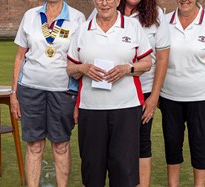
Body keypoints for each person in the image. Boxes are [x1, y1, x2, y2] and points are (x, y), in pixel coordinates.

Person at [66, 0, 152, 186]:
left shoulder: (132, 26)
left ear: (118, 1)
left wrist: (127, 69)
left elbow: (147, 63)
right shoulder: (82, 29)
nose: (105, 3)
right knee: (92, 170)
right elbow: (70, 68)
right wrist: (83, 68)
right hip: (91, 109)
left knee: (124, 170)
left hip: (126, 108)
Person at [10, 0, 85, 186]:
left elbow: (81, 60)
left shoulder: (77, 18)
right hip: (30, 88)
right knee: (34, 145)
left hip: (62, 91)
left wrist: (79, 101)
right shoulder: (30, 15)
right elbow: (20, 57)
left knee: (60, 146)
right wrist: (13, 93)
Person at [159, 0, 205, 186]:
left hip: (202, 96)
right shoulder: (165, 21)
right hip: (169, 96)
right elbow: (157, 59)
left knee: (199, 144)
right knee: (172, 143)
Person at [118, 1, 170, 186]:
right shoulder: (106, 7)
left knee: (141, 142)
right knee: (116, 144)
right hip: (114, 90)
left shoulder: (155, 14)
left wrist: (154, 96)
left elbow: (163, 56)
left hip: (144, 90)